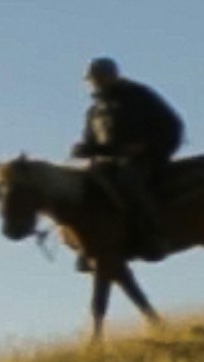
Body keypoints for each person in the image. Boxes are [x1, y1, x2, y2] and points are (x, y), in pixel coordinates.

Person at [71, 57, 184, 258]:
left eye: (100, 77)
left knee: (130, 183)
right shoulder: (95, 110)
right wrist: (84, 149)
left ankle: (152, 235)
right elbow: (91, 139)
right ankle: (91, 242)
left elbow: (171, 125)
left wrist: (148, 147)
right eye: (93, 79)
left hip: (143, 160)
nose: (96, 82)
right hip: (106, 163)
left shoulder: (139, 96)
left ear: (113, 75)